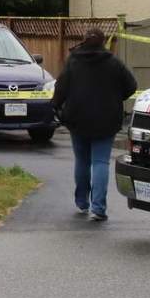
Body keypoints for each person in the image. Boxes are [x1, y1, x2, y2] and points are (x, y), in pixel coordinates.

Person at [53, 27, 138, 221]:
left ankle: (82, 202)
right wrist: (117, 97)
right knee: (100, 162)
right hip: (106, 119)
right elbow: (131, 86)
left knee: (82, 161)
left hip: (77, 118)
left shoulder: (73, 60)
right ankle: (98, 207)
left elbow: (61, 87)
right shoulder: (113, 63)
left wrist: (56, 106)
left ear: (84, 41)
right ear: (103, 42)